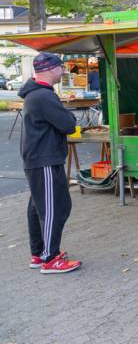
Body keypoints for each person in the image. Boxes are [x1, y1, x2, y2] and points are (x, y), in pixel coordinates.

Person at [19, 52, 81, 274]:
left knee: (38, 207)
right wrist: (68, 115)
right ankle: (51, 258)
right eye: (61, 67)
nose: (63, 71)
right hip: (45, 158)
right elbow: (67, 124)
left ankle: (39, 254)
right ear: (52, 69)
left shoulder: (35, 94)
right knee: (55, 207)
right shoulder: (43, 96)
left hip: (38, 158)